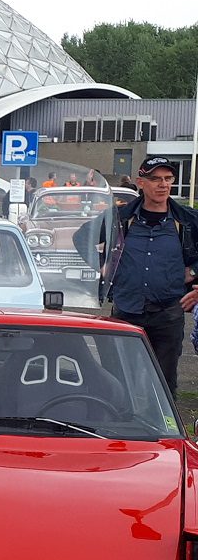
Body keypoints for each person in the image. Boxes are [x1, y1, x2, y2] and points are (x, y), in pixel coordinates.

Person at [74, 157, 198, 398]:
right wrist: (102, 267)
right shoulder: (121, 217)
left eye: (168, 179)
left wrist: (193, 272)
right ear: (141, 182)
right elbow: (82, 238)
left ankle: (162, 431)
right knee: (118, 380)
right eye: (155, 179)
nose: (163, 185)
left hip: (168, 312)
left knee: (164, 383)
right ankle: (120, 428)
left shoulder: (187, 220)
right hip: (126, 308)